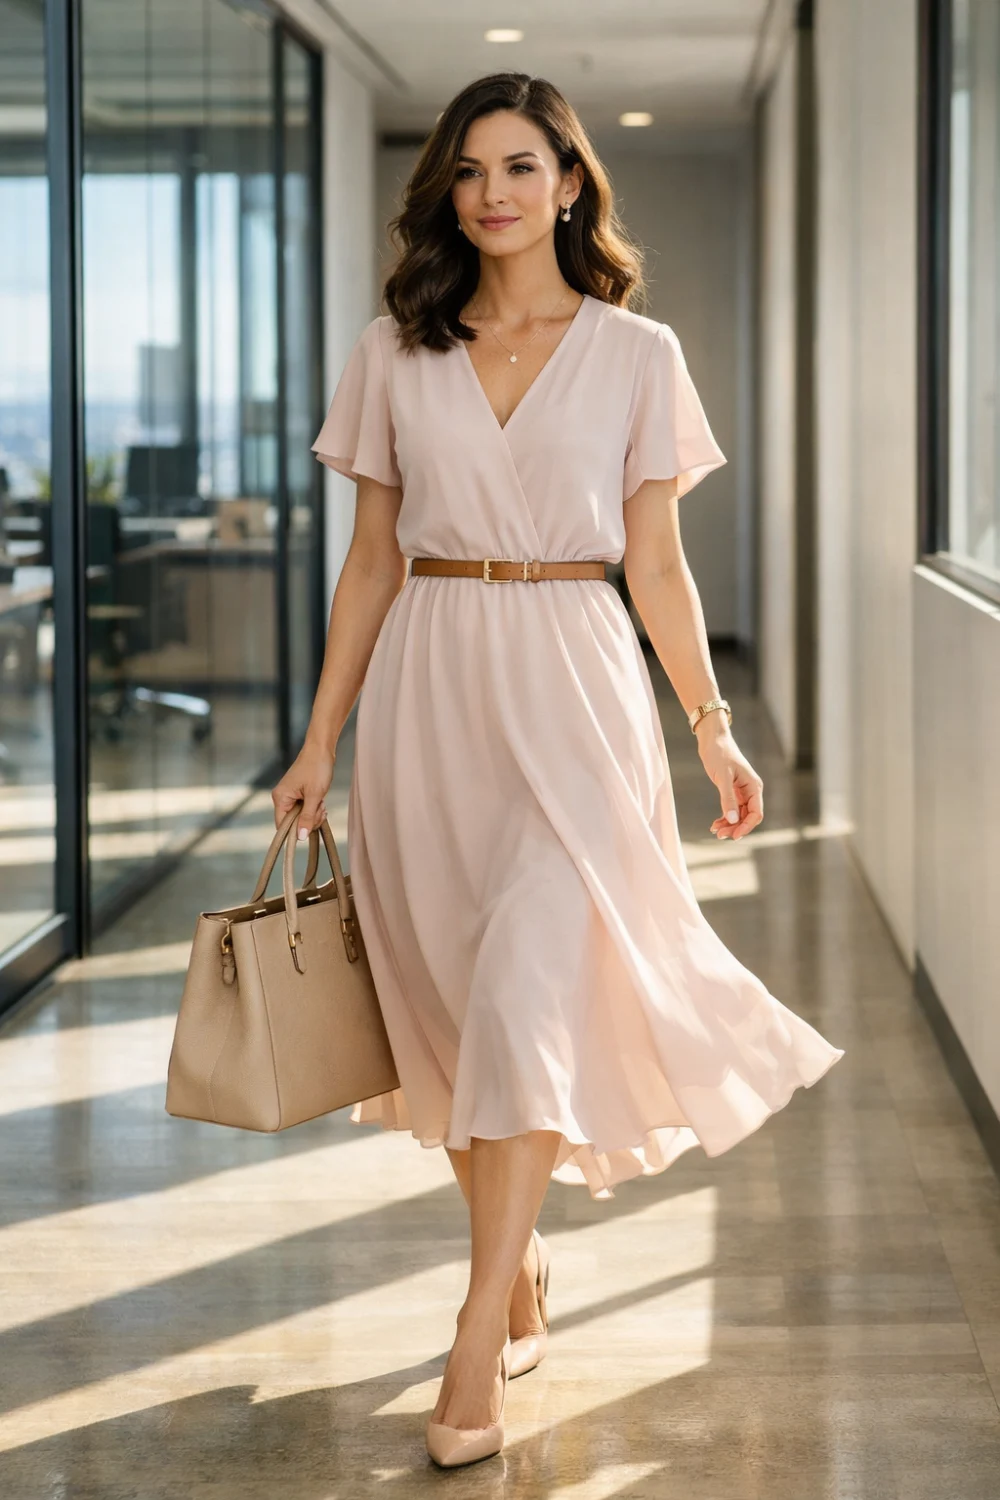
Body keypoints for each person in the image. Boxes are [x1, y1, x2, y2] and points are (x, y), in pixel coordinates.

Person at [272, 71, 844, 1469]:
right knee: (463, 1013)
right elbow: (368, 564)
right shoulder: (391, 350)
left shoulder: (637, 356)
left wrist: (709, 722)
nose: (493, 194)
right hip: (431, 681)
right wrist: (317, 738)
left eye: (521, 167)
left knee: (531, 979)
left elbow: (653, 561)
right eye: (470, 172)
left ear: (571, 182)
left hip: (577, 678)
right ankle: (517, 1263)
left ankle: (477, 1328)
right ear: (447, 194)